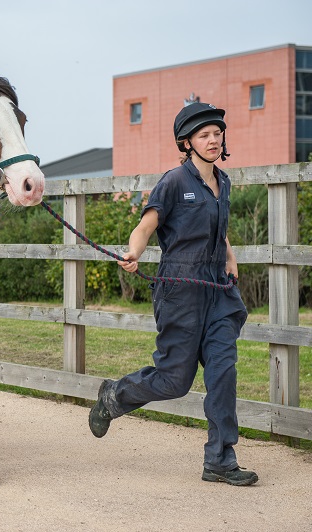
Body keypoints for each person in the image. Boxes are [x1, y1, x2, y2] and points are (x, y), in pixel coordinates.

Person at [88, 102, 258, 486]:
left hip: (218, 292)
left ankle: (220, 459)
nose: (213, 140)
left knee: (223, 373)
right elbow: (146, 225)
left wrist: (229, 258)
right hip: (181, 291)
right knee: (173, 380)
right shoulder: (174, 182)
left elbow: (220, 228)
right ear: (188, 143)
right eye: (204, 135)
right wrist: (133, 252)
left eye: (217, 133)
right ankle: (114, 395)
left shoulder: (223, 182)